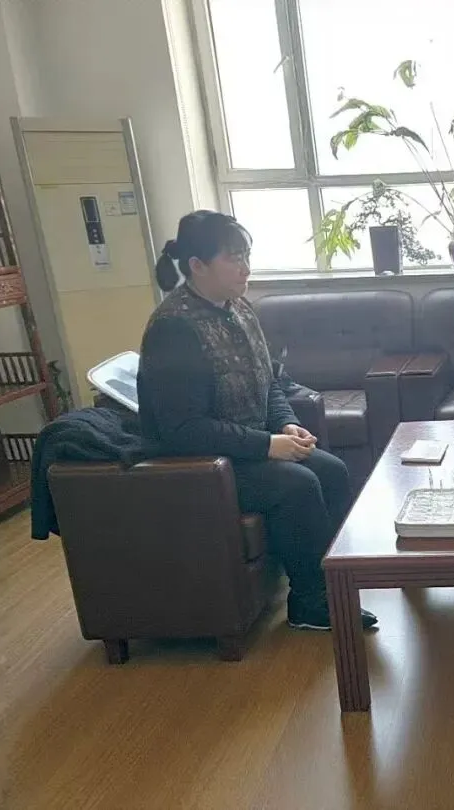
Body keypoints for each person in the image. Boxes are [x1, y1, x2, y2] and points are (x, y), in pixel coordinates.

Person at [137, 210, 377, 632]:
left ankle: (339, 583)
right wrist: (267, 446)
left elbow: (269, 383)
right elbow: (183, 430)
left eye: (247, 255)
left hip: (249, 447)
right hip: (204, 464)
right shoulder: (173, 329)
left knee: (332, 470)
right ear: (197, 265)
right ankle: (309, 601)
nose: (246, 267)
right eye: (234, 258)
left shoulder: (240, 309)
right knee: (297, 484)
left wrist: (285, 425)